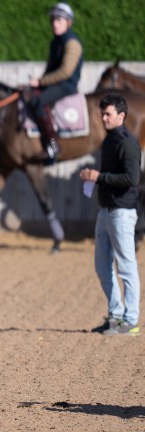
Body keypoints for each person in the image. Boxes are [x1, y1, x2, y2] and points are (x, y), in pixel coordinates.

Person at [80, 92, 141, 336]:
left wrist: (99, 177)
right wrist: (95, 178)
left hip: (122, 212)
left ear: (121, 116)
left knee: (126, 267)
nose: (103, 117)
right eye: (102, 113)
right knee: (102, 267)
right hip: (105, 211)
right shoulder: (109, 141)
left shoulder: (127, 142)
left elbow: (132, 178)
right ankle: (115, 316)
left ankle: (131, 319)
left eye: (108, 113)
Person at [28, 2, 83, 165]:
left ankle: (53, 146)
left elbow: (65, 72)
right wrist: (36, 84)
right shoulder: (56, 43)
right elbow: (51, 69)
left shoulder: (72, 43)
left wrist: (40, 81)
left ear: (68, 22)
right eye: (53, 20)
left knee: (39, 102)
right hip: (55, 84)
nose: (54, 23)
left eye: (59, 20)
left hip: (67, 86)